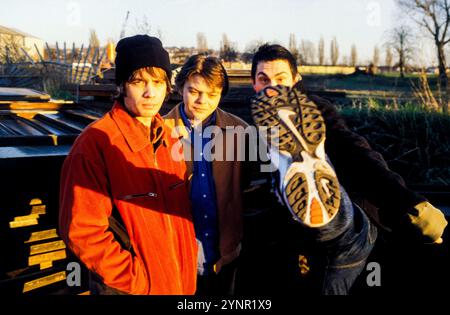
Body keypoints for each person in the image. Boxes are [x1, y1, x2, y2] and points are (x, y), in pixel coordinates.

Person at [247, 43, 448, 295]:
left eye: (280, 78)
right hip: (295, 234)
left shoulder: (315, 111)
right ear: (253, 83)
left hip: (348, 232)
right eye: (263, 79)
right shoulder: (255, 126)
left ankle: (315, 181)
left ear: (296, 80)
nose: (272, 87)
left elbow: (357, 153)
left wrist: (409, 205)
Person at [59, 35, 197, 295]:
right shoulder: (94, 146)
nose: (150, 92)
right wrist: (139, 282)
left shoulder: (169, 139)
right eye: (138, 82)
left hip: (180, 286)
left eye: (158, 82)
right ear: (122, 85)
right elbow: (82, 232)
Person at [164, 55, 250, 295]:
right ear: (181, 87)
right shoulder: (159, 132)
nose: (203, 101)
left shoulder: (240, 132)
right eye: (194, 91)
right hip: (176, 258)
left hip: (224, 257)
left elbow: (244, 187)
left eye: (212, 94)